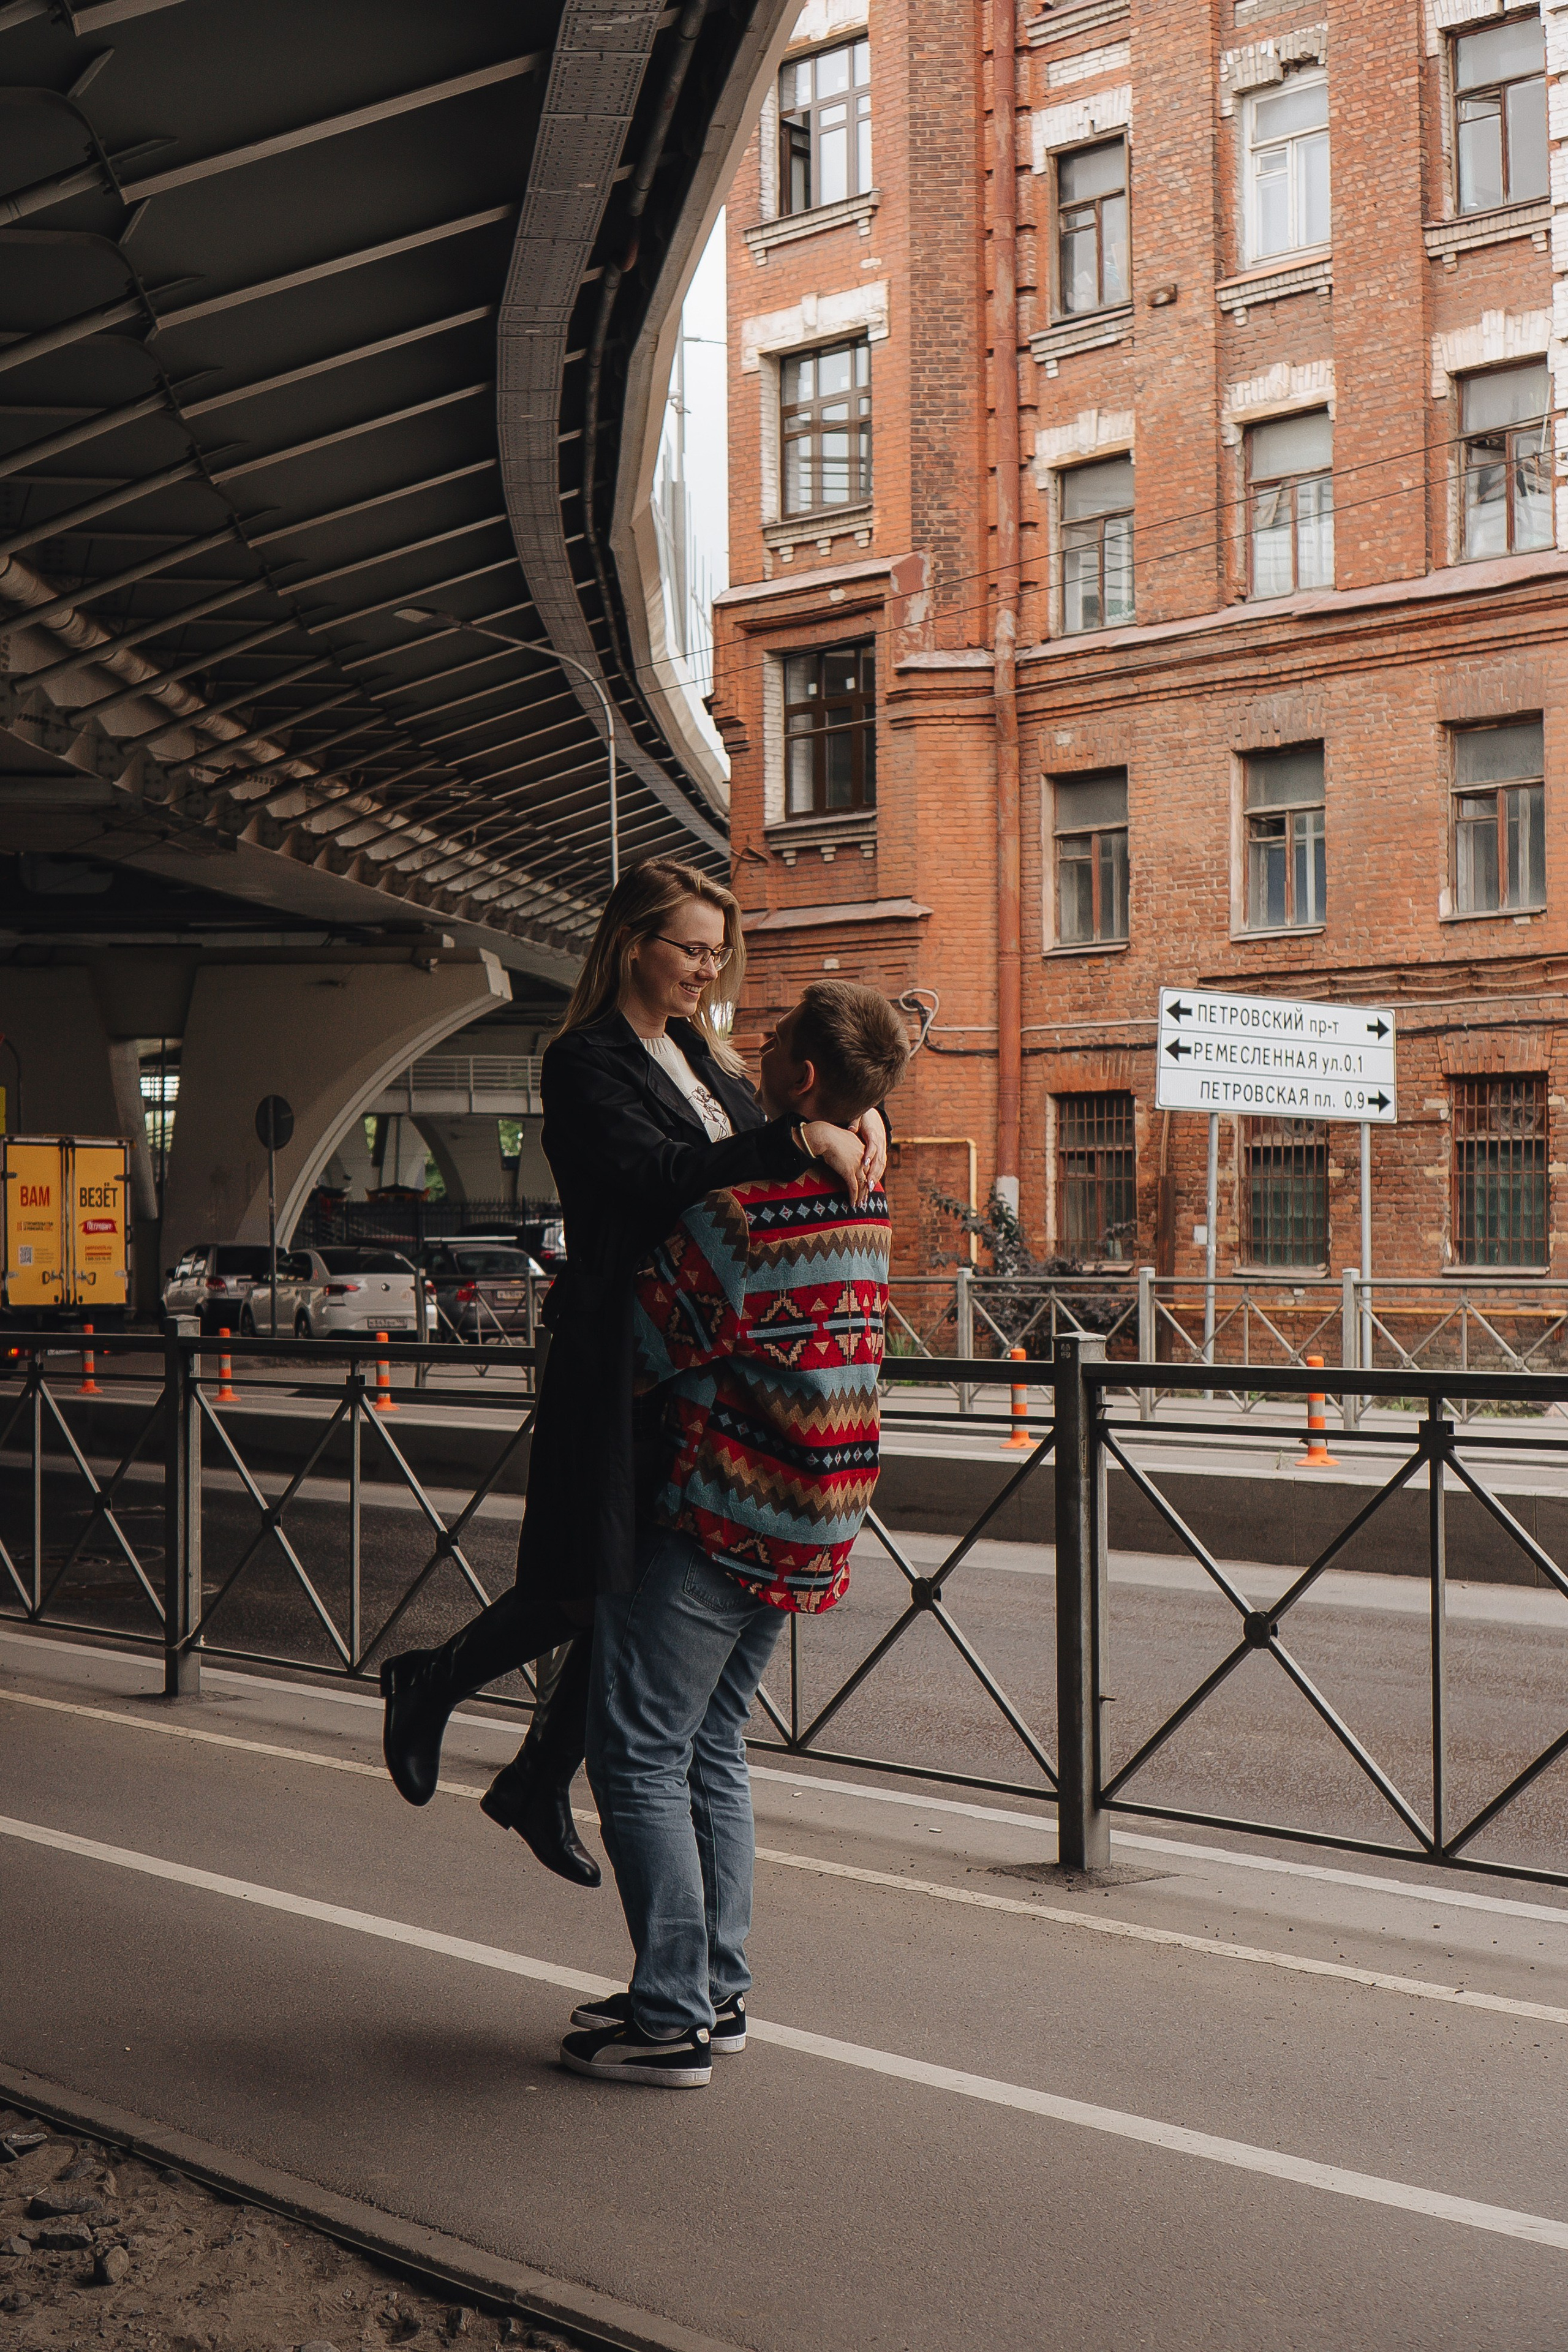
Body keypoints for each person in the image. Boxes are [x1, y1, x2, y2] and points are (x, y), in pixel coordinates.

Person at [379, 861, 886, 1882]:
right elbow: (665, 1176)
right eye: (691, 947)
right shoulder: (586, 1060)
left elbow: (781, 1135)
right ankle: (436, 1686)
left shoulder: (701, 1051)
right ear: (631, 945)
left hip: (692, 1364)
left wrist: (865, 1118)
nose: (708, 967)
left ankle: (530, 1776)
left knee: (626, 1585)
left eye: (716, 950)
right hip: (620, 1345)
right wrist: (797, 1133)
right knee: (587, 1583)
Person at [560, 980, 910, 2086]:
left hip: (727, 1508)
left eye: (776, 1040)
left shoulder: (746, 1214)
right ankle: (715, 1988)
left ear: (802, 1079)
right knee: (712, 1745)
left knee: (640, 1752)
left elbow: (646, 1340)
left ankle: (669, 2020)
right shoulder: (864, 1195)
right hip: (819, 1509)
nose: (751, 1042)